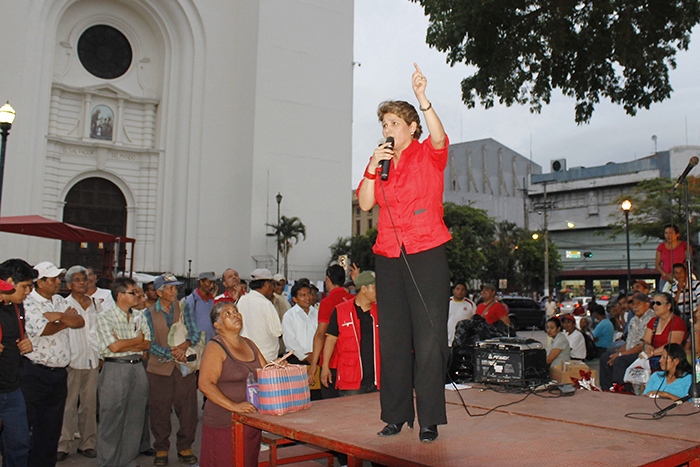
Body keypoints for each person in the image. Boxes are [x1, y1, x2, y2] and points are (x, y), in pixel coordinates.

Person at [357, 64, 450, 443]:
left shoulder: (428, 154)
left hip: (426, 251)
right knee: (393, 339)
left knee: (428, 340)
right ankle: (395, 415)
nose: (388, 129)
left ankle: (429, 420)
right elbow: (365, 204)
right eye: (384, 124)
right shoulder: (380, 165)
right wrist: (371, 166)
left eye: (394, 123)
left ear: (412, 127)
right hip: (389, 256)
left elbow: (440, 137)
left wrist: (423, 98)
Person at [199, 301, 286, 467]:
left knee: (247, 462)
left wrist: (277, 366)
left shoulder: (249, 344)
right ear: (217, 325)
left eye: (236, 311)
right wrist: (234, 406)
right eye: (228, 314)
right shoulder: (215, 347)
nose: (235, 315)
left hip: (250, 420)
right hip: (224, 421)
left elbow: (263, 373)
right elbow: (205, 384)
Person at [23, 261, 85, 467]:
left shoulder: (58, 300)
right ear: (40, 282)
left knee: (51, 427)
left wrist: (58, 317)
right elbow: (43, 330)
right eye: (53, 279)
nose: (58, 282)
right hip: (34, 372)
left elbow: (79, 321)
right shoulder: (29, 302)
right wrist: (65, 320)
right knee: (25, 425)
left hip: (58, 374)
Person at [142, 273, 201, 466]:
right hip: (158, 369)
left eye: (176, 288)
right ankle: (161, 448)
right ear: (159, 292)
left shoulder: (184, 307)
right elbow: (148, 342)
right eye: (170, 288)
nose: (175, 291)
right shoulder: (148, 313)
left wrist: (184, 346)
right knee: (159, 409)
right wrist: (170, 353)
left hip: (183, 367)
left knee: (188, 409)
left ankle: (185, 446)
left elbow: (195, 332)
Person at [95, 277, 150, 467]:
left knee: (135, 418)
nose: (137, 296)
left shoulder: (139, 316)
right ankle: (108, 462)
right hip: (114, 368)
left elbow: (147, 344)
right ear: (120, 296)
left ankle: (128, 460)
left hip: (137, 368)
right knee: (111, 417)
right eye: (133, 292)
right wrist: (136, 341)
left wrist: (127, 343)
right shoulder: (105, 317)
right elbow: (114, 347)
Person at [57, 266, 101, 461]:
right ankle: (64, 444)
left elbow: (99, 331)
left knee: (89, 405)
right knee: (68, 405)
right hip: (72, 361)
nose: (82, 282)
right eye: (77, 280)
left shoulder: (95, 305)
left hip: (92, 361)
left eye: (84, 279)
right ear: (68, 285)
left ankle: (87, 443)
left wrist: (100, 355)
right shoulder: (64, 305)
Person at [0, 259, 36, 467]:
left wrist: (26, 341)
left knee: (19, 445)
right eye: (25, 287)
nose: (28, 292)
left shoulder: (17, 307)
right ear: (9, 282)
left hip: (12, 389)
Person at [321, 271, 380, 397]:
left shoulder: (380, 312)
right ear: (363, 289)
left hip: (377, 380)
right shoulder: (341, 311)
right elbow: (331, 340)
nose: (379, 291)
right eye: (375, 288)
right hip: (351, 380)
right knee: (352, 409)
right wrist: (325, 367)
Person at [308, 265, 354, 398]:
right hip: (353, 362)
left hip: (332, 361)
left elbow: (321, 334)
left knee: (331, 403)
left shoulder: (327, 302)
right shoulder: (353, 299)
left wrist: (314, 364)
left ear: (328, 280)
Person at [236, 269, 282, 363]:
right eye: (272, 284)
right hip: (266, 357)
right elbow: (277, 332)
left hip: (245, 355)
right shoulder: (266, 304)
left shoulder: (241, 300)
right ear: (266, 284)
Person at [640, 292, 687, 369]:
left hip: (669, 359)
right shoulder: (653, 321)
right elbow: (645, 340)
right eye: (653, 303)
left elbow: (672, 345)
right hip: (652, 356)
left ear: (668, 306)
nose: (654, 306)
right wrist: (647, 346)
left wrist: (652, 353)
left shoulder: (677, 322)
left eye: (658, 303)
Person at [281, 282, 318, 365]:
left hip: (316, 357)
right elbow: (289, 341)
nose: (307, 298)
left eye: (309, 294)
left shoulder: (317, 314)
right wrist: (305, 356)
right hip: (296, 358)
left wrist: (315, 355)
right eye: (303, 295)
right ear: (294, 299)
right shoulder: (289, 315)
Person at [185, 271, 218, 343]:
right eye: (209, 283)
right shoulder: (192, 300)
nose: (212, 286)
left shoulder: (212, 300)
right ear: (201, 282)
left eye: (213, 283)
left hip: (212, 342)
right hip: (197, 343)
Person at [656, 224, 689, 291]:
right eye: (666, 233)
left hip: (681, 277)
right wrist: (665, 275)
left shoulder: (684, 245)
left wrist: (676, 275)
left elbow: (687, 262)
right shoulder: (661, 246)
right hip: (666, 278)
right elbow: (657, 264)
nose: (668, 235)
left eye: (671, 233)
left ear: (677, 234)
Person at [447, 281, 475, 347]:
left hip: (464, 340)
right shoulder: (447, 302)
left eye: (462, 290)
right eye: (458, 289)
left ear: (465, 292)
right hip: (449, 338)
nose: (460, 291)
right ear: (453, 291)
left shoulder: (470, 304)